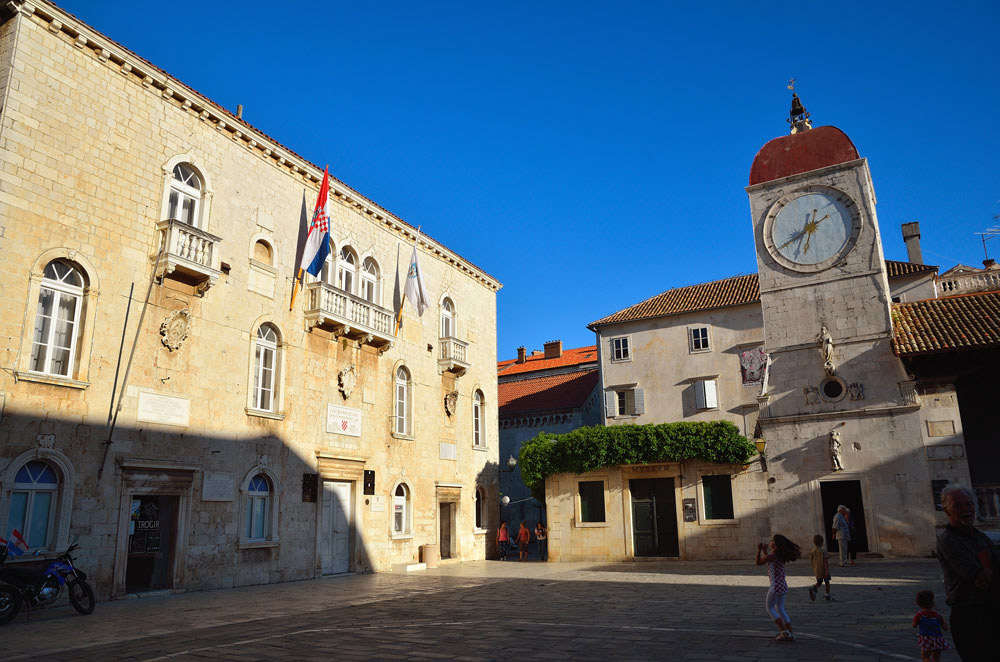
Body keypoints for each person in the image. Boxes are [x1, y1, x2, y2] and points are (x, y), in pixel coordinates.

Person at [936, 485, 1000, 661]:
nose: (966, 509)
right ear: (946, 510)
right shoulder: (948, 540)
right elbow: (976, 575)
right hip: (969, 613)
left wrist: (990, 569)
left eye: (969, 504)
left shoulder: (981, 537)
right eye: (958, 505)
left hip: (992, 608)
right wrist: (990, 568)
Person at [755, 533, 801, 642]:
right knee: (780, 609)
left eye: (772, 541)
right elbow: (768, 560)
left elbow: (758, 562)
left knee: (769, 608)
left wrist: (759, 550)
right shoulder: (779, 555)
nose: (770, 542)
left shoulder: (772, 556)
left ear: (775, 544)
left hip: (775, 586)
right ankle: (790, 633)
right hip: (783, 585)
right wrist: (765, 552)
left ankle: (784, 632)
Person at [912, 589, 949, 661]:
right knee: (936, 658)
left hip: (926, 639)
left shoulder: (919, 615)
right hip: (938, 639)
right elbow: (945, 627)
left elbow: (914, 625)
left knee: (925, 656)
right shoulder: (938, 615)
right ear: (932, 602)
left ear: (918, 603)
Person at [809, 534, 832, 602]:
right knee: (827, 582)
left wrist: (814, 567)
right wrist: (827, 570)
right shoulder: (823, 551)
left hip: (817, 569)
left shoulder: (812, 551)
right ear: (822, 542)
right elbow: (825, 561)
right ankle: (827, 594)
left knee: (819, 582)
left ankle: (814, 589)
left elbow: (812, 560)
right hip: (823, 569)